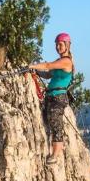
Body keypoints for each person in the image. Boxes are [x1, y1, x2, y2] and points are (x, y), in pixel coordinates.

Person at [29, 32, 74, 165]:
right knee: (48, 121)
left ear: (67, 45)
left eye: (60, 44)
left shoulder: (66, 61)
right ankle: (55, 147)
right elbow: (48, 74)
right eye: (56, 45)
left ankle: (55, 154)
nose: (57, 47)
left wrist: (33, 66)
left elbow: (48, 66)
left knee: (55, 123)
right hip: (51, 96)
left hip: (58, 97)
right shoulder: (60, 62)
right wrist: (36, 71)